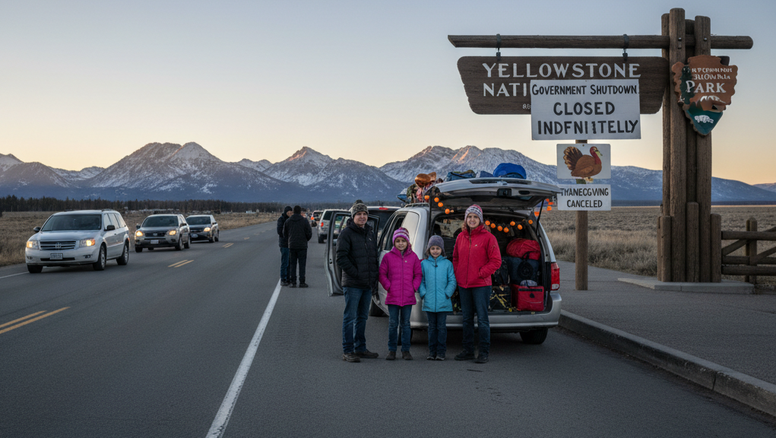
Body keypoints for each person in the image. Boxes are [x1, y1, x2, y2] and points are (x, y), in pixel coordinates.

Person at [452, 204, 501, 364]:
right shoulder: (460, 237)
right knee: (466, 318)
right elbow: (455, 258)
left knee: (482, 319)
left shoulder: (488, 238)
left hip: (481, 285)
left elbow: (496, 261)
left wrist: (481, 273)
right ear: (465, 219)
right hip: (464, 285)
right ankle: (468, 350)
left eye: (475, 217)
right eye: (469, 217)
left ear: (480, 220)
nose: (472, 219)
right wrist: (458, 273)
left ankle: (484, 352)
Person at [337, 202, 380, 362]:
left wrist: (373, 277)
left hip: (367, 284)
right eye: (359, 214)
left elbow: (373, 257)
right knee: (350, 317)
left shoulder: (369, 233)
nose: (362, 216)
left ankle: (360, 348)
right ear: (353, 216)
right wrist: (356, 274)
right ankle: (347, 350)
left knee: (362, 317)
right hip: (353, 283)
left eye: (364, 214)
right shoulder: (346, 234)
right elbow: (341, 257)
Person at [379, 227, 421, 360]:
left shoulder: (413, 257)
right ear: (394, 242)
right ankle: (392, 350)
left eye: (403, 240)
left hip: (408, 297)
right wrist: (388, 286)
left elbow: (418, 274)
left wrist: (413, 287)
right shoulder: (388, 257)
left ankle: (406, 350)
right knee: (392, 324)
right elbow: (382, 274)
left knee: (406, 324)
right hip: (393, 297)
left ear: (408, 242)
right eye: (398, 241)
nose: (401, 243)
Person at [418, 235, 456, 361]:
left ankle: (441, 352)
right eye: (433, 248)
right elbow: (420, 280)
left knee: (441, 327)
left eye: (438, 248)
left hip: (443, 302)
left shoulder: (447, 264)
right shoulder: (424, 264)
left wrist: (447, 293)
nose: (435, 251)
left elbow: (452, 280)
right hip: (429, 301)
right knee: (432, 327)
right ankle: (431, 351)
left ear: (442, 250)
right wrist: (423, 293)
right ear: (429, 250)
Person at [283, 205, 312, 288]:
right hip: (302, 246)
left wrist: (289, 240)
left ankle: (293, 282)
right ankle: (302, 281)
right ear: (300, 212)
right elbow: (309, 233)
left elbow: (285, 233)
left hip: (292, 245)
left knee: (292, 264)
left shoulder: (288, 221)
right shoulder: (304, 221)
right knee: (302, 265)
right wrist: (305, 240)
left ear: (293, 211)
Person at [276, 206, 293, 286]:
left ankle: (288, 278)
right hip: (284, 244)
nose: (290, 214)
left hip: (291, 243)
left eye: (291, 212)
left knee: (290, 262)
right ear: (286, 212)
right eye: (288, 212)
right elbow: (279, 231)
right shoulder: (281, 219)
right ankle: (283, 278)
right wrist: (287, 235)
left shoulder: (292, 220)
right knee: (285, 262)